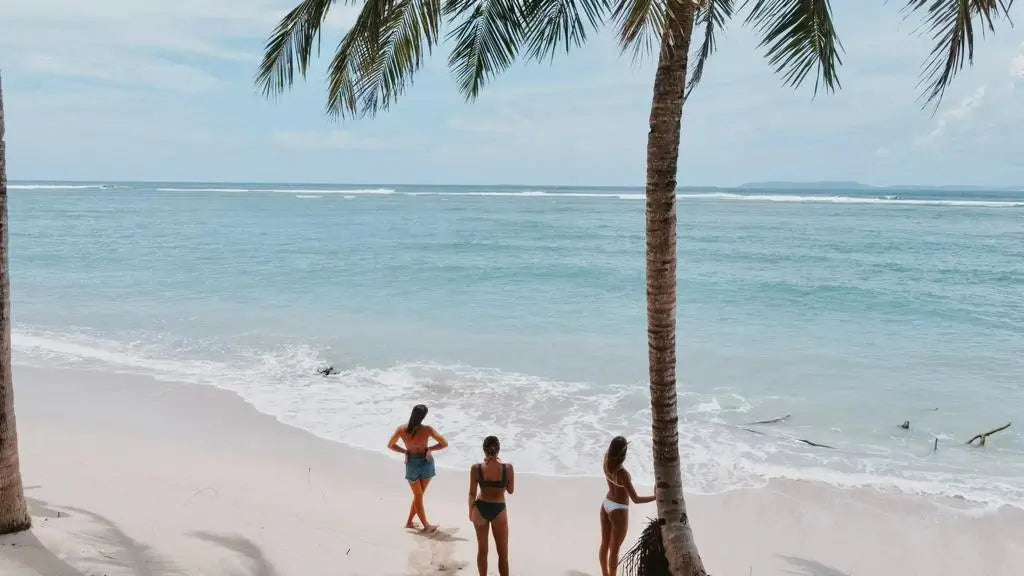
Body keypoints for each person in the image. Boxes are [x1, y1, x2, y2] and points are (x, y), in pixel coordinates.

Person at [599, 436, 655, 576]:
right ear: (623, 453)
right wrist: (656, 497)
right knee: (615, 549)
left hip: (606, 504)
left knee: (605, 545)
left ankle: (605, 574)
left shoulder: (606, 460)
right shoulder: (623, 474)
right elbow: (635, 499)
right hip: (618, 509)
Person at [387, 404, 448, 531]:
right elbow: (444, 443)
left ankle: (409, 522)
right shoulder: (427, 430)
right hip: (426, 462)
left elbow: (390, 445)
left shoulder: (401, 429)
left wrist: (405, 452)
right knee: (419, 496)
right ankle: (426, 525)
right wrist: (429, 449)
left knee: (418, 496)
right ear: (423, 417)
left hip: (412, 464)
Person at [468, 436, 515, 576]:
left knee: (482, 551)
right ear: (498, 450)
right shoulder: (508, 468)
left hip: (480, 508)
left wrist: (470, 511)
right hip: (499, 511)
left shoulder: (476, 468)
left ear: (484, 450)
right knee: (503, 554)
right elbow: (511, 490)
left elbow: (471, 493)